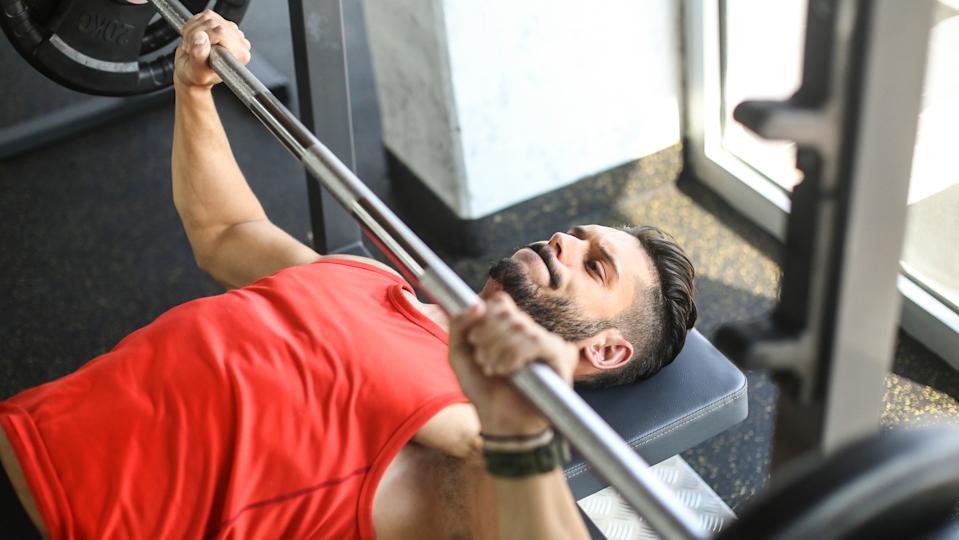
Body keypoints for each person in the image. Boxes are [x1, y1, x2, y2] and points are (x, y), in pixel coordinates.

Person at [0, 11, 697, 539]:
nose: (562, 242)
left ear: (604, 348)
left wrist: (518, 426)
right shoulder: (373, 280)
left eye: (593, 263)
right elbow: (225, 236)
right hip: (21, 427)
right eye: (575, 234)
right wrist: (194, 93)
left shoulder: (469, 430)